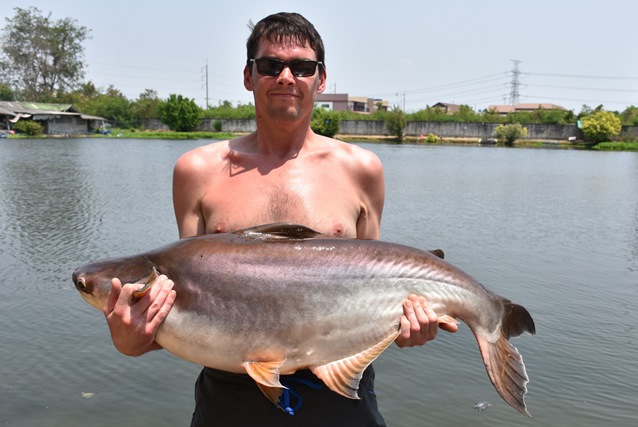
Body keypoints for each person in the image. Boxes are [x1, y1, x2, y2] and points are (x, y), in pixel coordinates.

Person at [104, 12, 457, 426]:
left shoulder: (362, 169)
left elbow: (374, 287)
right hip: (229, 401)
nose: (286, 77)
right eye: (271, 65)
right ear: (248, 75)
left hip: (342, 399)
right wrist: (132, 340)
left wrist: (407, 325)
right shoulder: (196, 171)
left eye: (302, 67)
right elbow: (188, 304)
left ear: (320, 80)